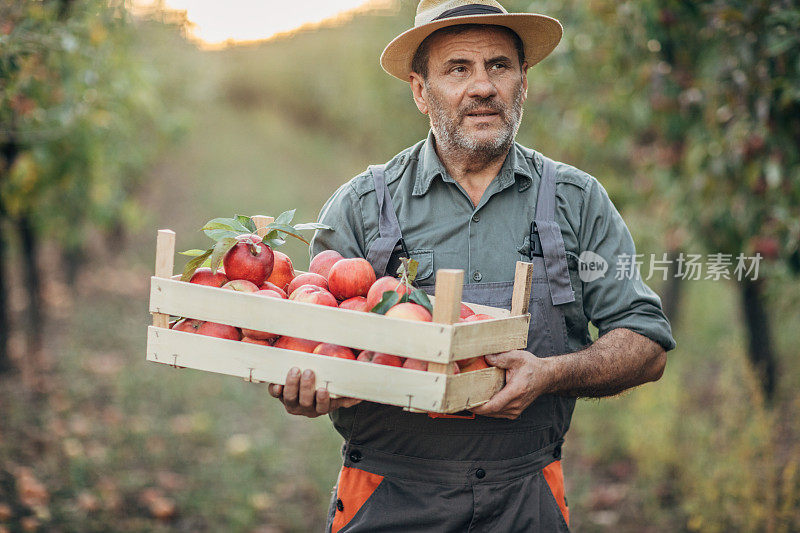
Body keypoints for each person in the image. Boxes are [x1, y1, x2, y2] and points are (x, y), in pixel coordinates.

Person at [268, 1, 677, 531]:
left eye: (499, 66)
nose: (482, 86)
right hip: (389, 498)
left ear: (522, 82)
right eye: (458, 69)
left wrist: (551, 374)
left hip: (526, 499)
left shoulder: (576, 201)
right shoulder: (362, 207)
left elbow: (645, 344)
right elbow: (314, 343)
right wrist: (307, 387)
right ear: (420, 90)